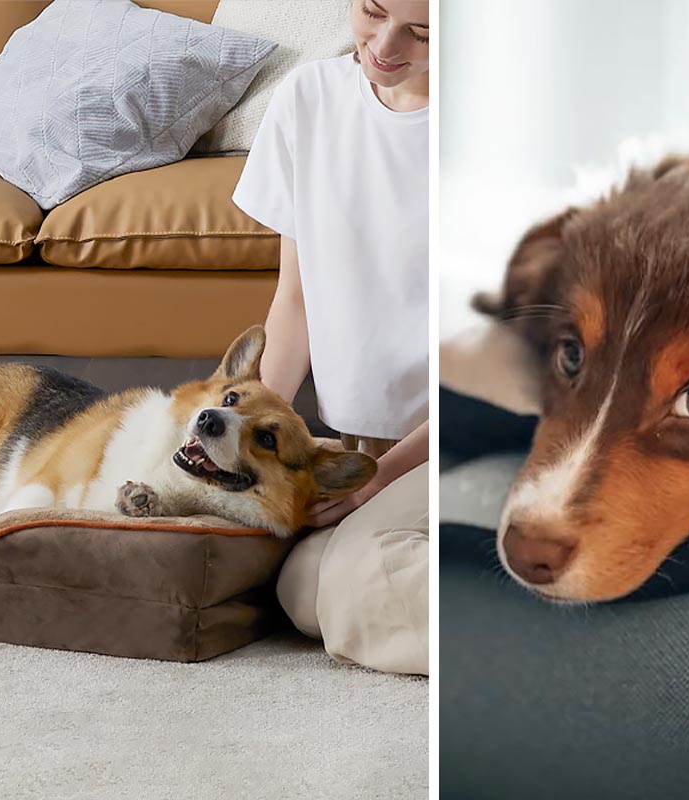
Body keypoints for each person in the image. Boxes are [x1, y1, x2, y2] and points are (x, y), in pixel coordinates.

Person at [231, 0, 429, 675]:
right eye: (373, 11)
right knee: (298, 584)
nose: (385, 45)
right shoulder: (310, 97)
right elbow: (297, 297)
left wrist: (378, 485)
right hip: (359, 446)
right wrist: (247, 427)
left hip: (471, 442)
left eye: (424, 32)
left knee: (353, 579)